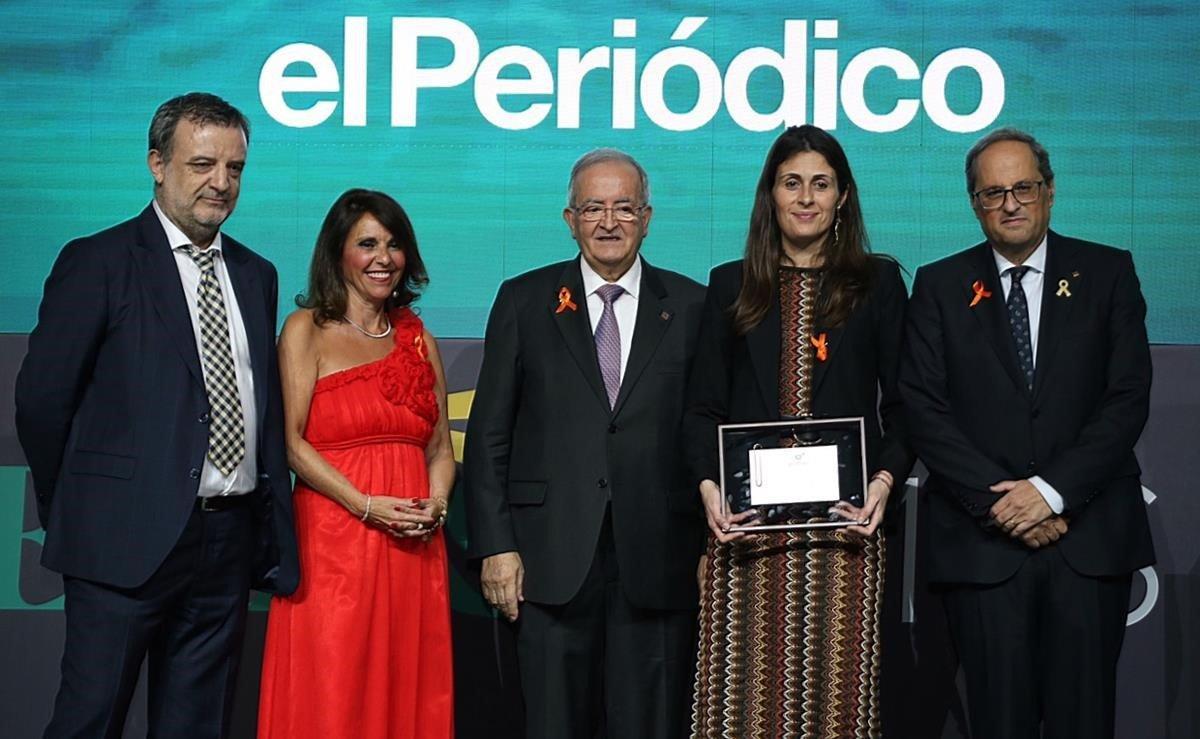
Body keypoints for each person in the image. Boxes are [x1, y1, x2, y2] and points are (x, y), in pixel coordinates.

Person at [14, 92, 298, 738]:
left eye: (234, 168)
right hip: (119, 541)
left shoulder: (257, 274)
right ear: (157, 164)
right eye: (202, 164)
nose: (220, 183)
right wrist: (86, 506)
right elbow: (40, 403)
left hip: (226, 544)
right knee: (90, 719)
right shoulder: (98, 262)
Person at [899, 127, 1154, 739]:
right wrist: (1004, 503)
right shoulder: (938, 285)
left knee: (1084, 721)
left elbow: (1126, 399)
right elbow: (924, 410)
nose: (1010, 203)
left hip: (1087, 542)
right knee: (996, 721)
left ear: (1050, 191)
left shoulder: (1108, 272)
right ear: (974, 203)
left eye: (1023, 188)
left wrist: (1052, 492)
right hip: (984, 548)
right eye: (992, 193)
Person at [463, 149, 707, 739]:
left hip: (658, 559)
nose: (608, 221)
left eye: (624, 207)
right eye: (593, 207)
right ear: (569, 219)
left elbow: (707, 434)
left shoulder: (696, 306)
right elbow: (489, 434)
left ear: (647, 217)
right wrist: (496, 546)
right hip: (548, 561)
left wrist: (708, 548)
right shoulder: (523, 301)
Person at [681, 124, 913, 739]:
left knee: (837, 709)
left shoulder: (879, 282)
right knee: (744, 709)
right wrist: (710, 492)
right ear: (771, 195)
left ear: (842, 197)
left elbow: (908, 405)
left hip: (848, 532)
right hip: (747, 535)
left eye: (820, 183)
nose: (806, 197)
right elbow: (701, 409)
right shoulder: (730, 285)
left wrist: (884, 484)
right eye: (792, 183)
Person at [256, 189, 455, 738]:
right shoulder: (305, 330)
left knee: (408, 689)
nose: (382, 258)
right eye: (367, 243)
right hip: (334, 546)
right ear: (338, 253)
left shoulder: (419, 341)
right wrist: (364, 505)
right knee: (334, 690)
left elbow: (439, 448)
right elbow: (290, 443)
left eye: (394, 245)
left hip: (413, 549)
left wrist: (435, 505)